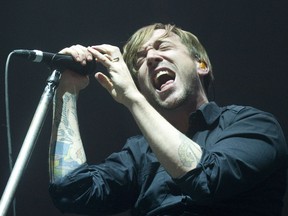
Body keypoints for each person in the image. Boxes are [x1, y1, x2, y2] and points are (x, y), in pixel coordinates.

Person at [48, 23, 288, 216]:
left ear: (201, 65)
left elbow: (206, 179)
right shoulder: (139, 153)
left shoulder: (253, 124)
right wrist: (67, 91)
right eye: (140, 60)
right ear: (143, 88)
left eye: (162, 46)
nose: (151, 57)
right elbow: (73, 194)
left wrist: (132, 98)